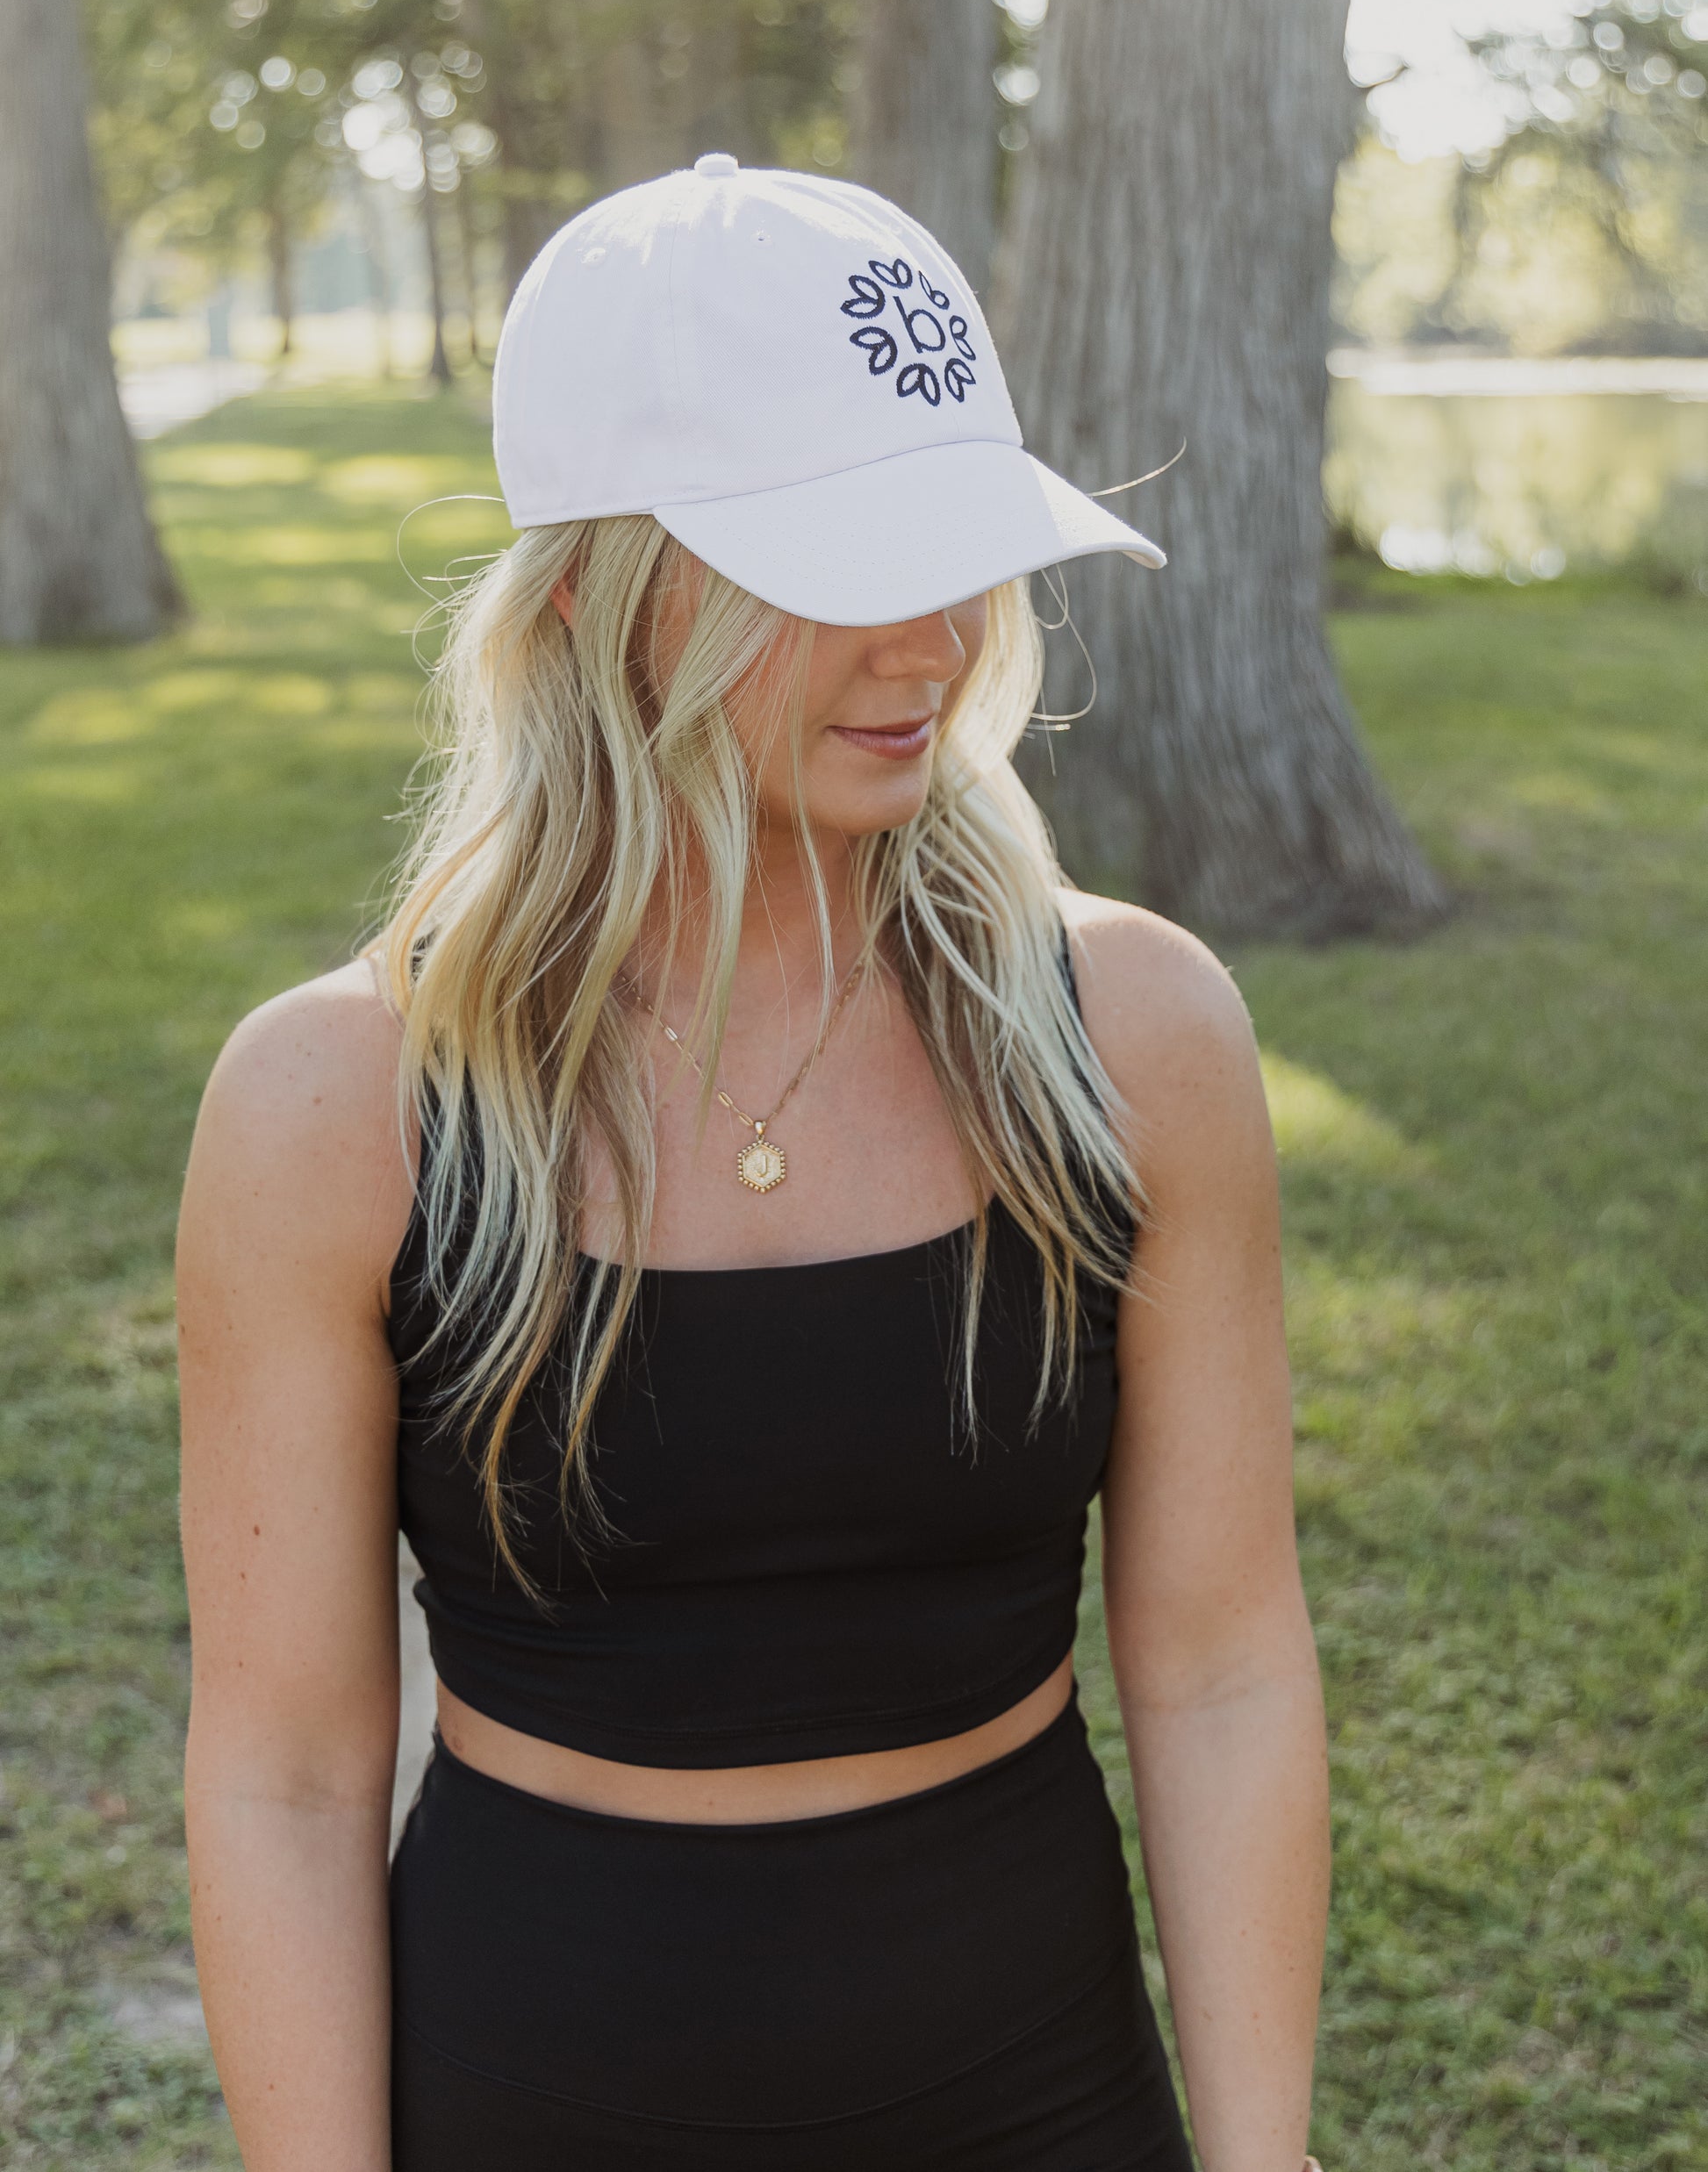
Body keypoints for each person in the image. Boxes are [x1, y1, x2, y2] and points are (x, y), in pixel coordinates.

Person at [177, 157, 1330, 2171]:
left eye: (959, 544)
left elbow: (1223, 1660)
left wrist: (1264, 2158)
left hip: (1039, 2083)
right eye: (849, 562)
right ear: (601, 596)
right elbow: (281, 1768)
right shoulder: (335, 1103)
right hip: (531, 2085)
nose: (941, 638)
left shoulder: (1134, 1033)